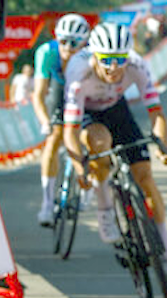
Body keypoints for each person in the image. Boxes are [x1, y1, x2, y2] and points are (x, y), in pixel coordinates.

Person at [63, 22, 167, 250]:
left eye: (120, 59)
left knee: (145, 177)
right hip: (88, 114)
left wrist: (162, 146)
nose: (113, 67)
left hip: (118, 110)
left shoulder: (137, 66)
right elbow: (69, 131)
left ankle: (164, 244)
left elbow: (156, 113)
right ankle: (105, 210)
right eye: (106, 59)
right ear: (94, 56)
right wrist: (80, 167)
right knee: (100, 145)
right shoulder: (79, 73)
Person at [32, 14, 91, 226]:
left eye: (74, 43)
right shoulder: (47, 52)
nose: (67, 47)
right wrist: (45, 122)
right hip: (59, 89)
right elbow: (39, 94)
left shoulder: (90, 54)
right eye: (62, 40)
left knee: (88, 135)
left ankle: (88, 184)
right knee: (54, 137)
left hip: (85, 91)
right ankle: (47, 203)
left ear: (84, 43)